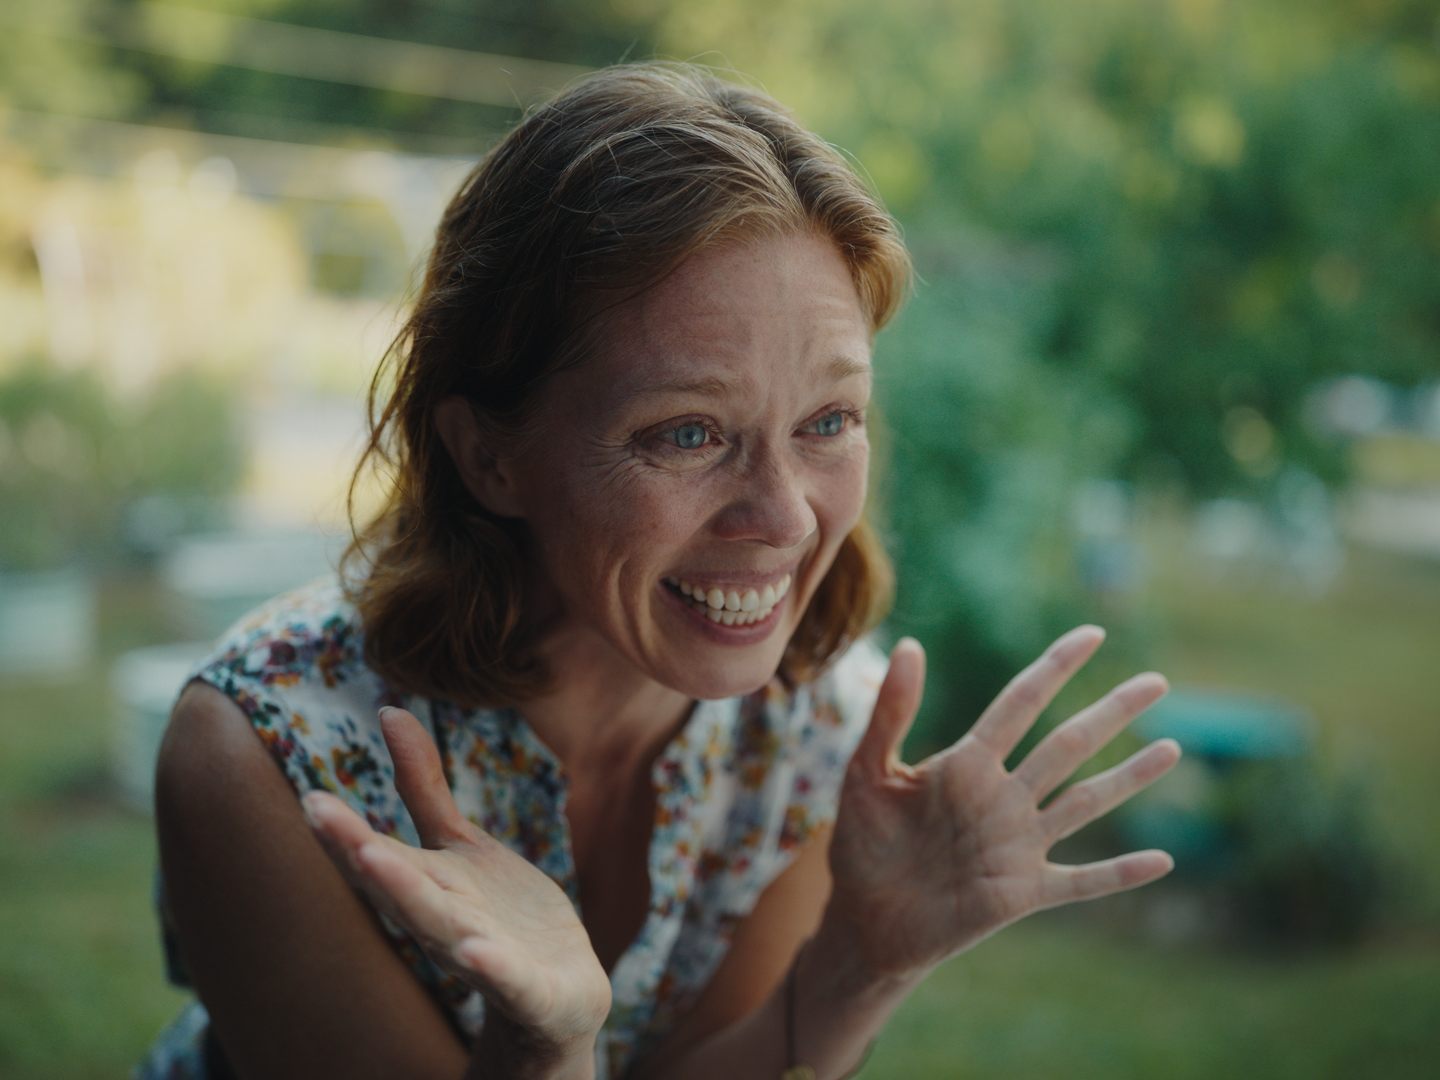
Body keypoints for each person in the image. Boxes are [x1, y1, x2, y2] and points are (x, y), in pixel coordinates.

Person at [138, 63, 1181, 1080]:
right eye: (685, 433)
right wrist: (541, 1048)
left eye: (828, 421)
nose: (783, 517)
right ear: (488, 454)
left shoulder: (820, 732)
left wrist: (863, 963)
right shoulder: (263, 752)